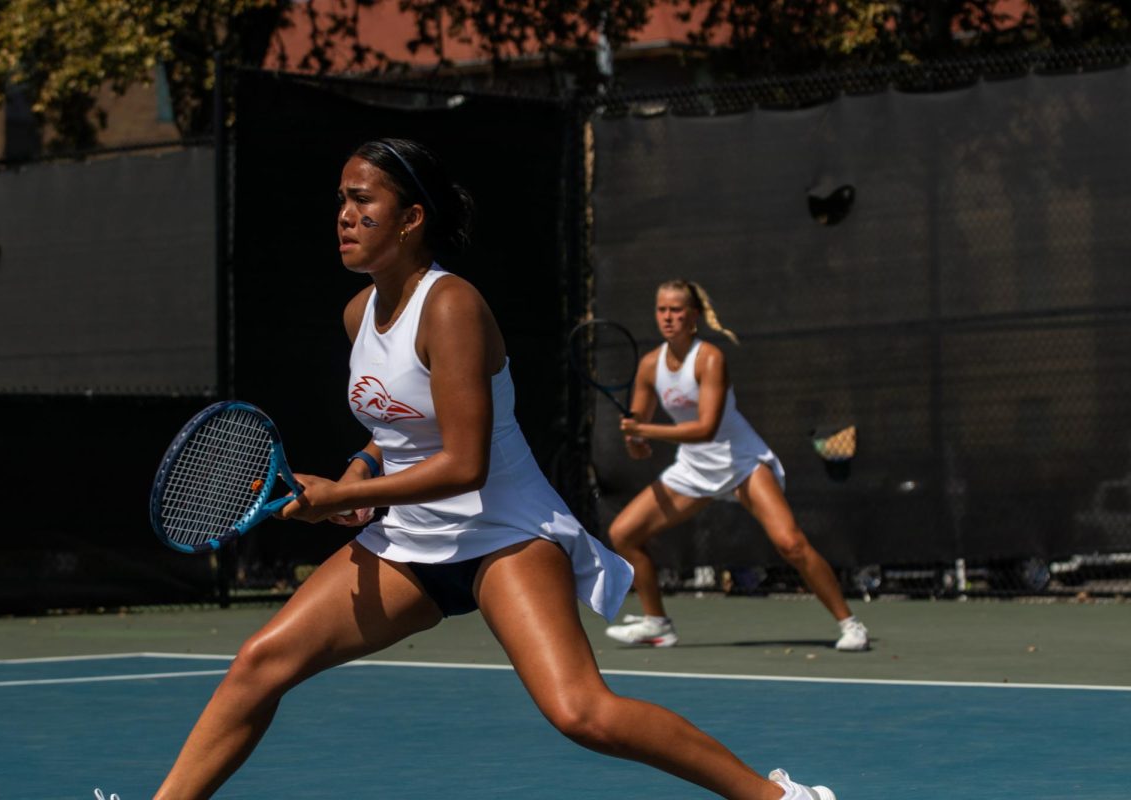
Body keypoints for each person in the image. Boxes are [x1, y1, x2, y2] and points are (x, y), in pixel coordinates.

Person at [151, 139, 837, 800]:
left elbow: (465, 463)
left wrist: (338, 502)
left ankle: (777, 798)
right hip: (410, 542)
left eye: (363, 201)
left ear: (412, 218)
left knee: (581, 713)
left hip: (504, 532)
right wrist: (358, 473)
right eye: (340, 200)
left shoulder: (451, 307)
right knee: (258, 666)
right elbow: (398, 428)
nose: (345, 215)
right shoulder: (359, 312)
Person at [603, 280, 870, 652]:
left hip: (740, 461)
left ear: (693, 316)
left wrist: (644, 429)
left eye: (676, 310)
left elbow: (706, 428)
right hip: (693, 470)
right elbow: (641, 442)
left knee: (790, 543)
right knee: (623, 535)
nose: (668, 317)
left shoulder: (710, 358)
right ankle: (657, 624)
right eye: (661, 310)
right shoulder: (650, 366)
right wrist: (636, 443)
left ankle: (850, 624)